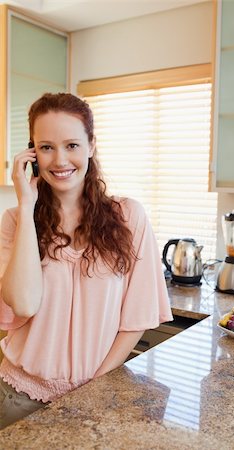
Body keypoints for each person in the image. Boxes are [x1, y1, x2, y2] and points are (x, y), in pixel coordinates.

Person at [0, 92, 173, 429]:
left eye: (72, 145)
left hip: (96, 394)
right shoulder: (14, 221)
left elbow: (136, 318)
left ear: (91, 145)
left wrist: (95, 386)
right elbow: (22, 302)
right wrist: (25, 206)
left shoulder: (128, 217)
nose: (60, 160)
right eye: (47, 147)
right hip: (18, 398)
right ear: (32, 154)